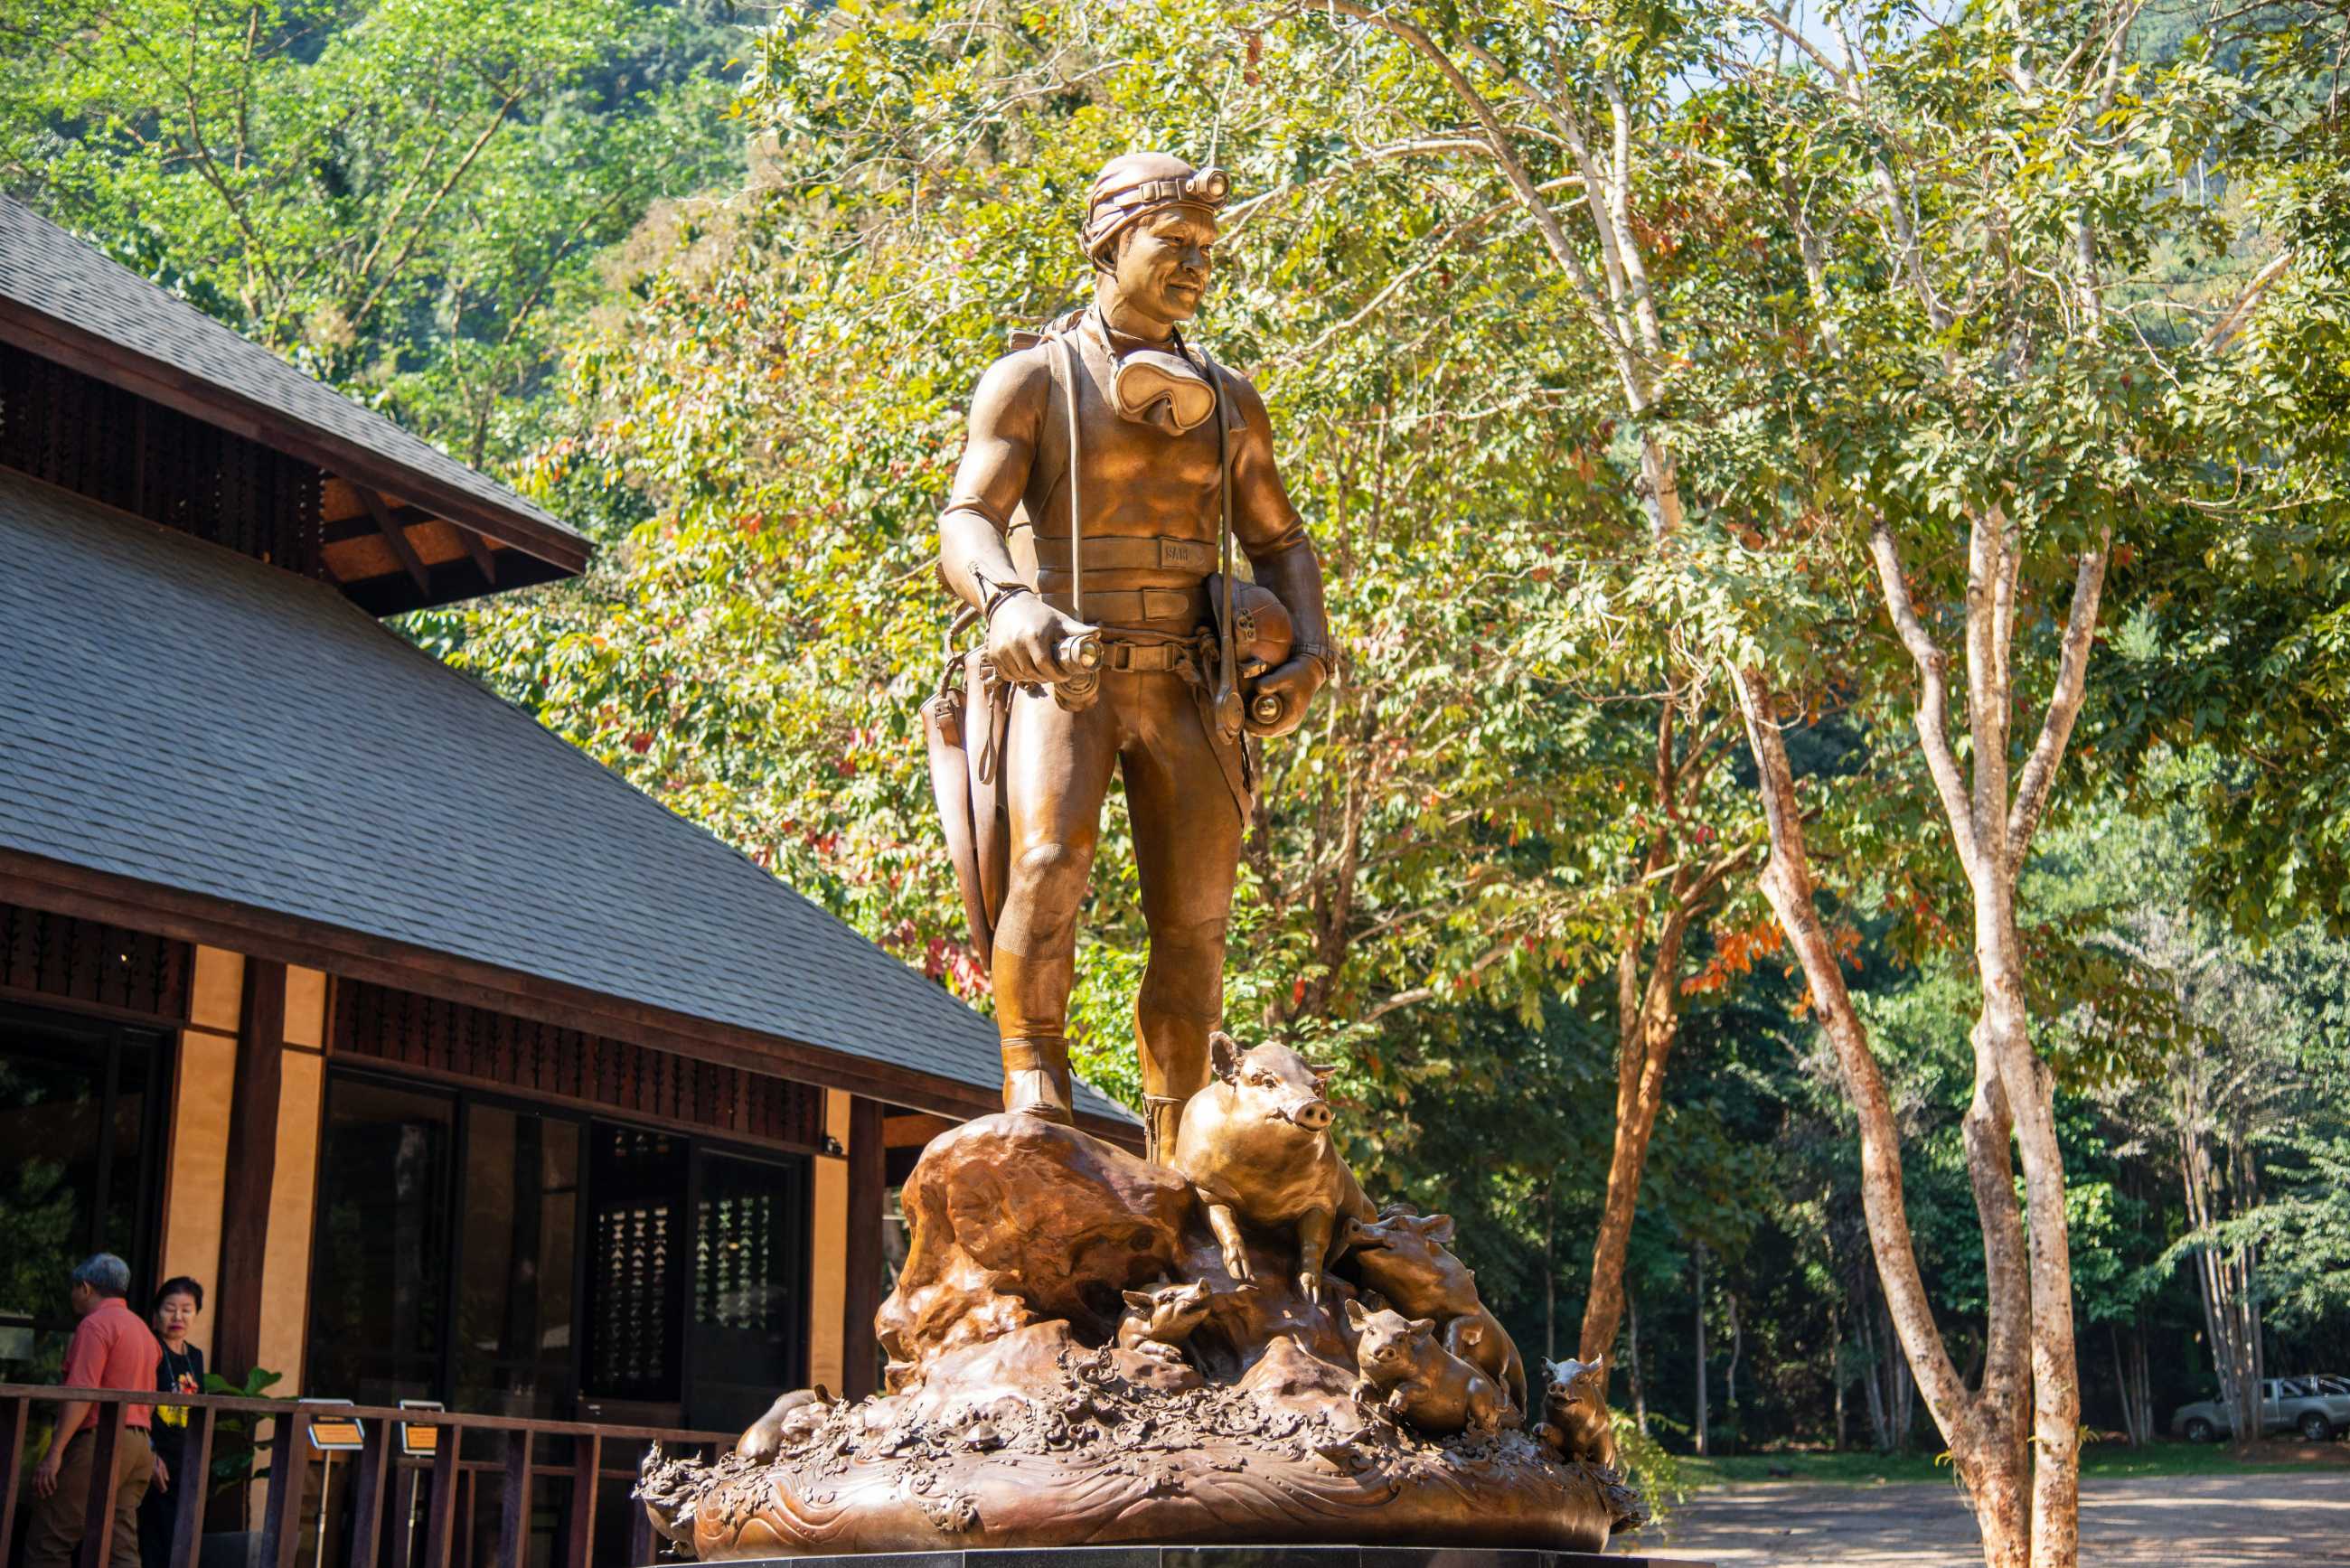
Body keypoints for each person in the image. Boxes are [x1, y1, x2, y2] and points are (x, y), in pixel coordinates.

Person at [936, 151, 1333, 1159]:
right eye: (1174, 242)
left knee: (1195, 921)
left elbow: (1281, 540)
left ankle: (1176, 1141)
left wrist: (1309, 654)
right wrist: (1006, 604)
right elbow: (967, 518)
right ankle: (1033, 1073)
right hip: (1068, 671)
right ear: (1108, 243)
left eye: (1207, 249)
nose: (1196, 263)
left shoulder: (1230, 400)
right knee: (1046, 861)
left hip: (1192, 683)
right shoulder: (1032, 377)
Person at [27, 1253, 160, 1568]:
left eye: (74, 1288)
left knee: (49, 1540)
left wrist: (54, 1452)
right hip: (140, 1446)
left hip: (103, 1441)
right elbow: (151, 1397)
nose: (72, 1295)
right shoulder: (143, 1330)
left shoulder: (95, 1325)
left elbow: (82, 1393)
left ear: (85, 1288)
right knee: (119, 1546)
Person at [139, 1278, 206, 1568]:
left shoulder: (195, 1356)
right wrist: (149, 1452)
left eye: (187, 1310)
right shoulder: (147, 1346)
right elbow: (137, 1404)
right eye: (170, 1309)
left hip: (184, 1459)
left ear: (196, 1314)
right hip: (152, 1455)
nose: (178, 1317)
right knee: (149, 1537)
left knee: (177, 1539)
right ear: (157, 1312)